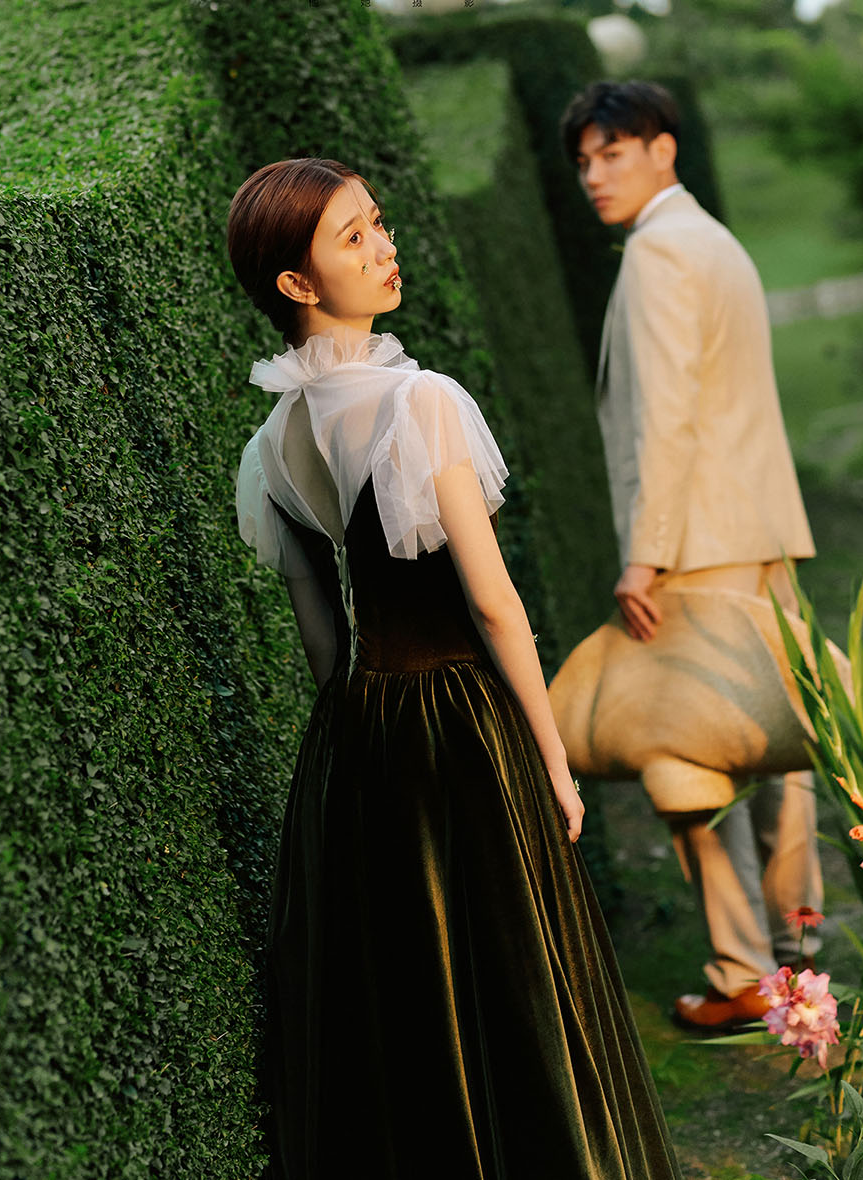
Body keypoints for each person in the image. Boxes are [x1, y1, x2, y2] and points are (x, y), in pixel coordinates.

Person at [228, 156, 681, 1180]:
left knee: (407, 1005)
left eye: (377, 224)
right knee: (515, 981)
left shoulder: (271, 445)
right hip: (459, 721)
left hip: (354, 742)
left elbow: (324, 646)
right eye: (352, 237)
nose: (383, 247)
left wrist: (357, 754)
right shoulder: (419, 400)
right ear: (296, 282)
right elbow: (493, 603)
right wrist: (552, 758)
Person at [559, 80, 823, 1031]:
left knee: (687, 762)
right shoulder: (713, 240)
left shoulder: (658, 253)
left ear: (662, 148)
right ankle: (797, 952)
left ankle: (743, 975)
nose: (594, 176)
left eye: (612, 153)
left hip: (697, 550)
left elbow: (666, 420)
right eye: (584, 162)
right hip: (763, 535)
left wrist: (645, 556)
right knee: (782, 748)